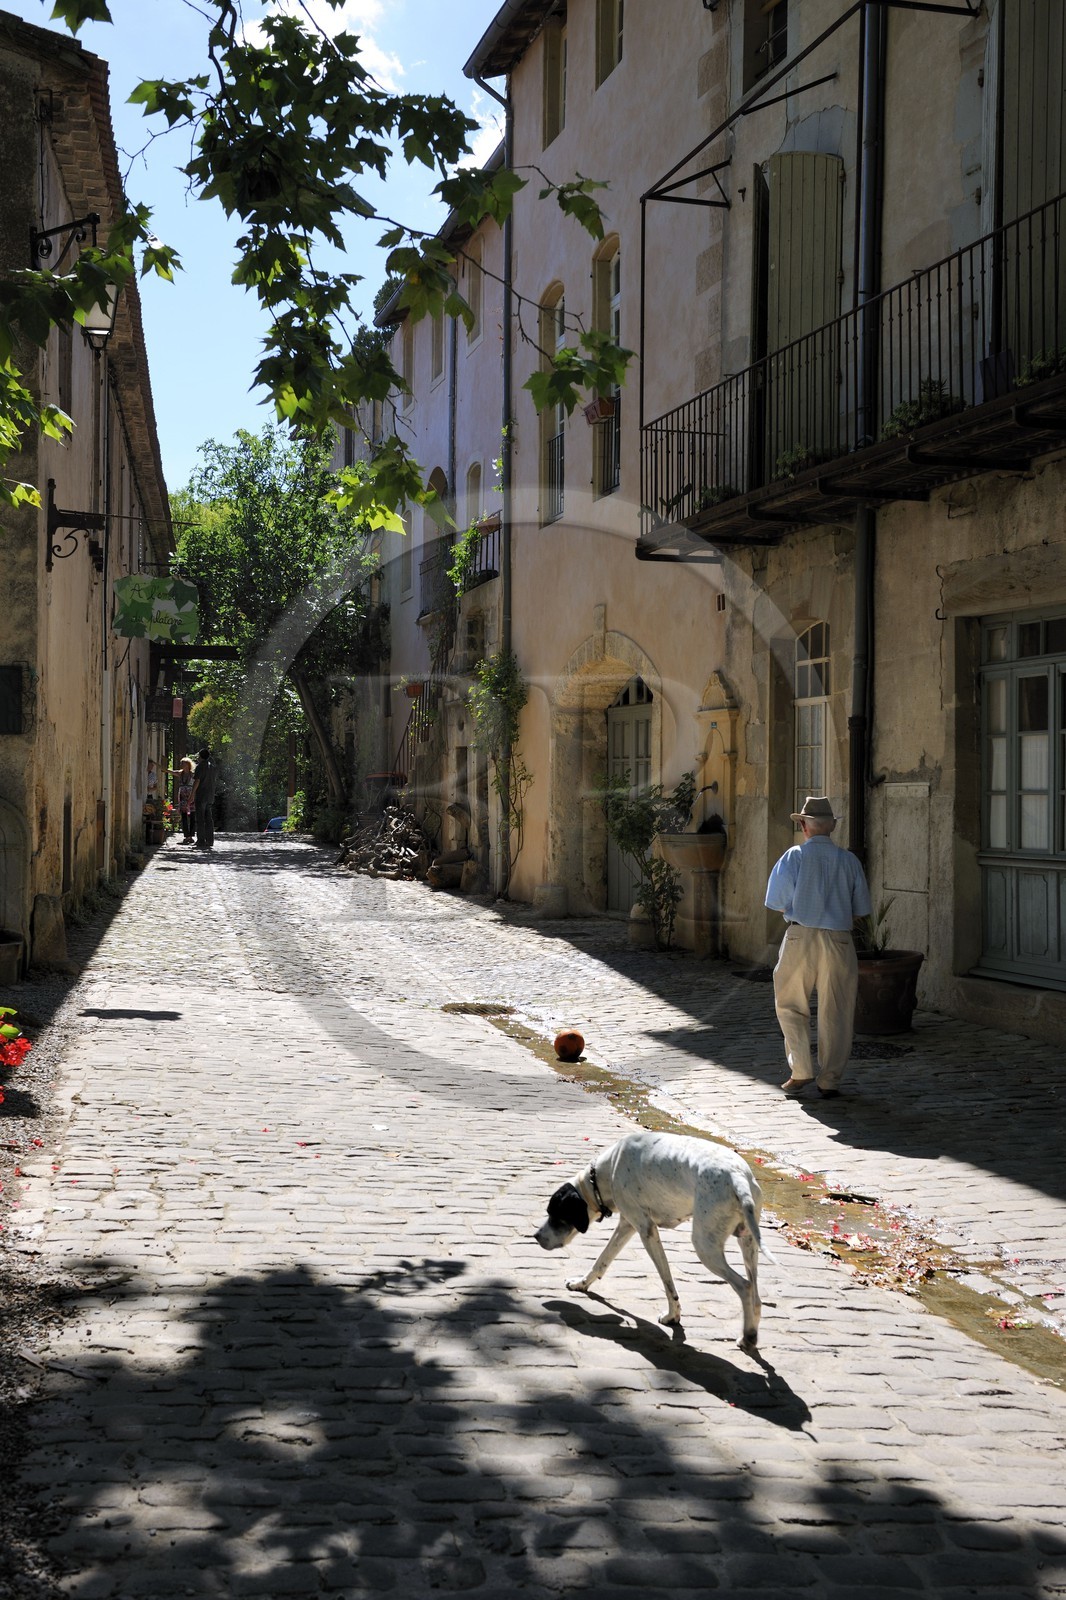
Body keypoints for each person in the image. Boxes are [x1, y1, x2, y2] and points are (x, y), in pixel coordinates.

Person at [764, 795, 872, 1100]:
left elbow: (775, 901)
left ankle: (800, 1071)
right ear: (832, 828)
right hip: (839, 938)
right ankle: (830, 1079)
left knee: (790, 1003)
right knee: (837, 1010)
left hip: (801, 935)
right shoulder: (849, 860)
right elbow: (861, 908)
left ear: (803, 826)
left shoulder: (794, 856)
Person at [191, 747, 216, 850]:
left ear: (200, 756)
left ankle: (201, 840)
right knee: (209, 818)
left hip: (201, 795)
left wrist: (192, 794)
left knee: (200, 818)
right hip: (210, 795)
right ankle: (210, 840)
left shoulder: (200, 767)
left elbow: (197, 781)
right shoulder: (212, 767)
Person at [171, 757, 196, 843]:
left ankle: (191, 835)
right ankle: (186, 835)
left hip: (191, 796)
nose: (181, 765)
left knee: (193, 816)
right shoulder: (180, 773)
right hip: (182, 796)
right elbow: (169, 771)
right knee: (184, 816)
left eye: (183, 763)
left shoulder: (193, 774)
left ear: (188, 765)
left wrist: (193, 795)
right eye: (181, 763)